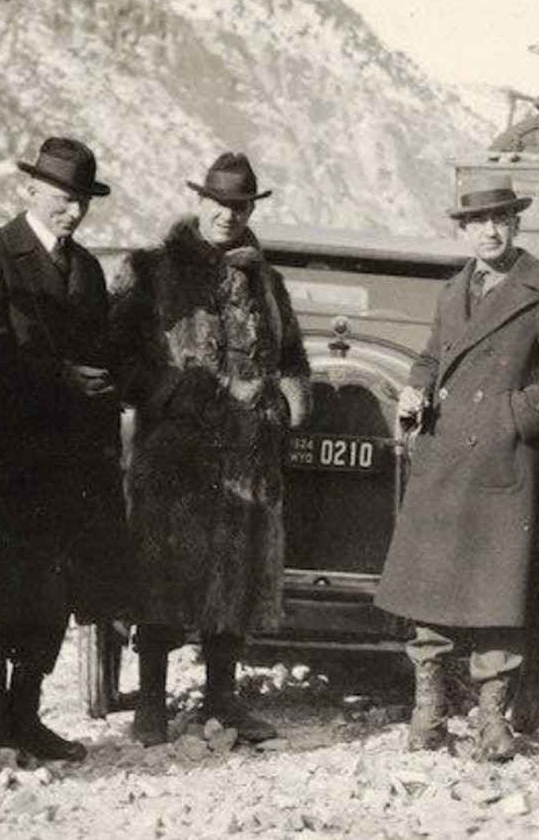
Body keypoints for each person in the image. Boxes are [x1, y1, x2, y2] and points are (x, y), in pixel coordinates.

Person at [376, 173, 539, 762]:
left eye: (500, 220)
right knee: (431, 594)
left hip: (505, 466)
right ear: (465, 229)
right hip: (446, 460)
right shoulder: (454, 291)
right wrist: (415, 389)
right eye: (478, 222)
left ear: (516, 224)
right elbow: (432, 356)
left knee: (498, 599)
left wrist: (511, 418)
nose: (490, 231)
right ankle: (429, 710)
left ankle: (491, 719)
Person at [109, 152, 311, 747]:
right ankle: (150, 703)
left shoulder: (265, 282)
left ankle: (223, 701)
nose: (229, 215)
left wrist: (287, 397)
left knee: (238, 576)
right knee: (161, 576)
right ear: (200, 202)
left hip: (248, 454)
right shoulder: (151, 271)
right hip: (175, 454)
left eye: (240, 205)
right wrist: (171, 392)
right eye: (219, 203)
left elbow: (292, 353)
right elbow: (120, 353)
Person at [0, 137, 131, 762]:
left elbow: (101, 347)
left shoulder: (86, 269)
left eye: (82, 203)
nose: (74, 213)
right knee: (0, 586)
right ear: (30, 190)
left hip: (71, 463)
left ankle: (24, 714)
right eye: (63, 200)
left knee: (53, 591)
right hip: (11, 457)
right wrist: (61, 378)